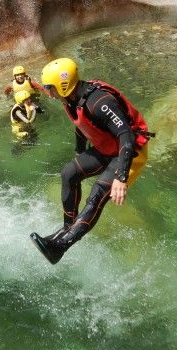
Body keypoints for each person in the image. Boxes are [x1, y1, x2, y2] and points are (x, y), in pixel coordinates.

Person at [29, 58, 153, 264]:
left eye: (50, 88)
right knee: (69, 173)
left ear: (63, 85)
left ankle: (61, 247)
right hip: (108, 148)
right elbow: (81, 126)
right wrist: (80, 153)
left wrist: (121, 177)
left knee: (96, 194)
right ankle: (67, 229)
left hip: (129, 153)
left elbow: (126, 135)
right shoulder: (72, 98)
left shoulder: (100, 102)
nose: (48, 92)